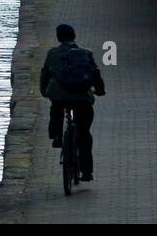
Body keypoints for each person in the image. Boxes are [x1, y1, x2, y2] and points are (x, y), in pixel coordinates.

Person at [39, 23, 106, 181]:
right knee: (84, 134)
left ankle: (56, 135)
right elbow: (95, 74)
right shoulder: (85, 53)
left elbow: (45, 74)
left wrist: (45, 92)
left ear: (58, 37)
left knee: (56, 108)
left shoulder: (53, 53)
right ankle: (87, 172)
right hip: (82, 97)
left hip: (59, 96)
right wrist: (100, 90)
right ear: (74, 36)